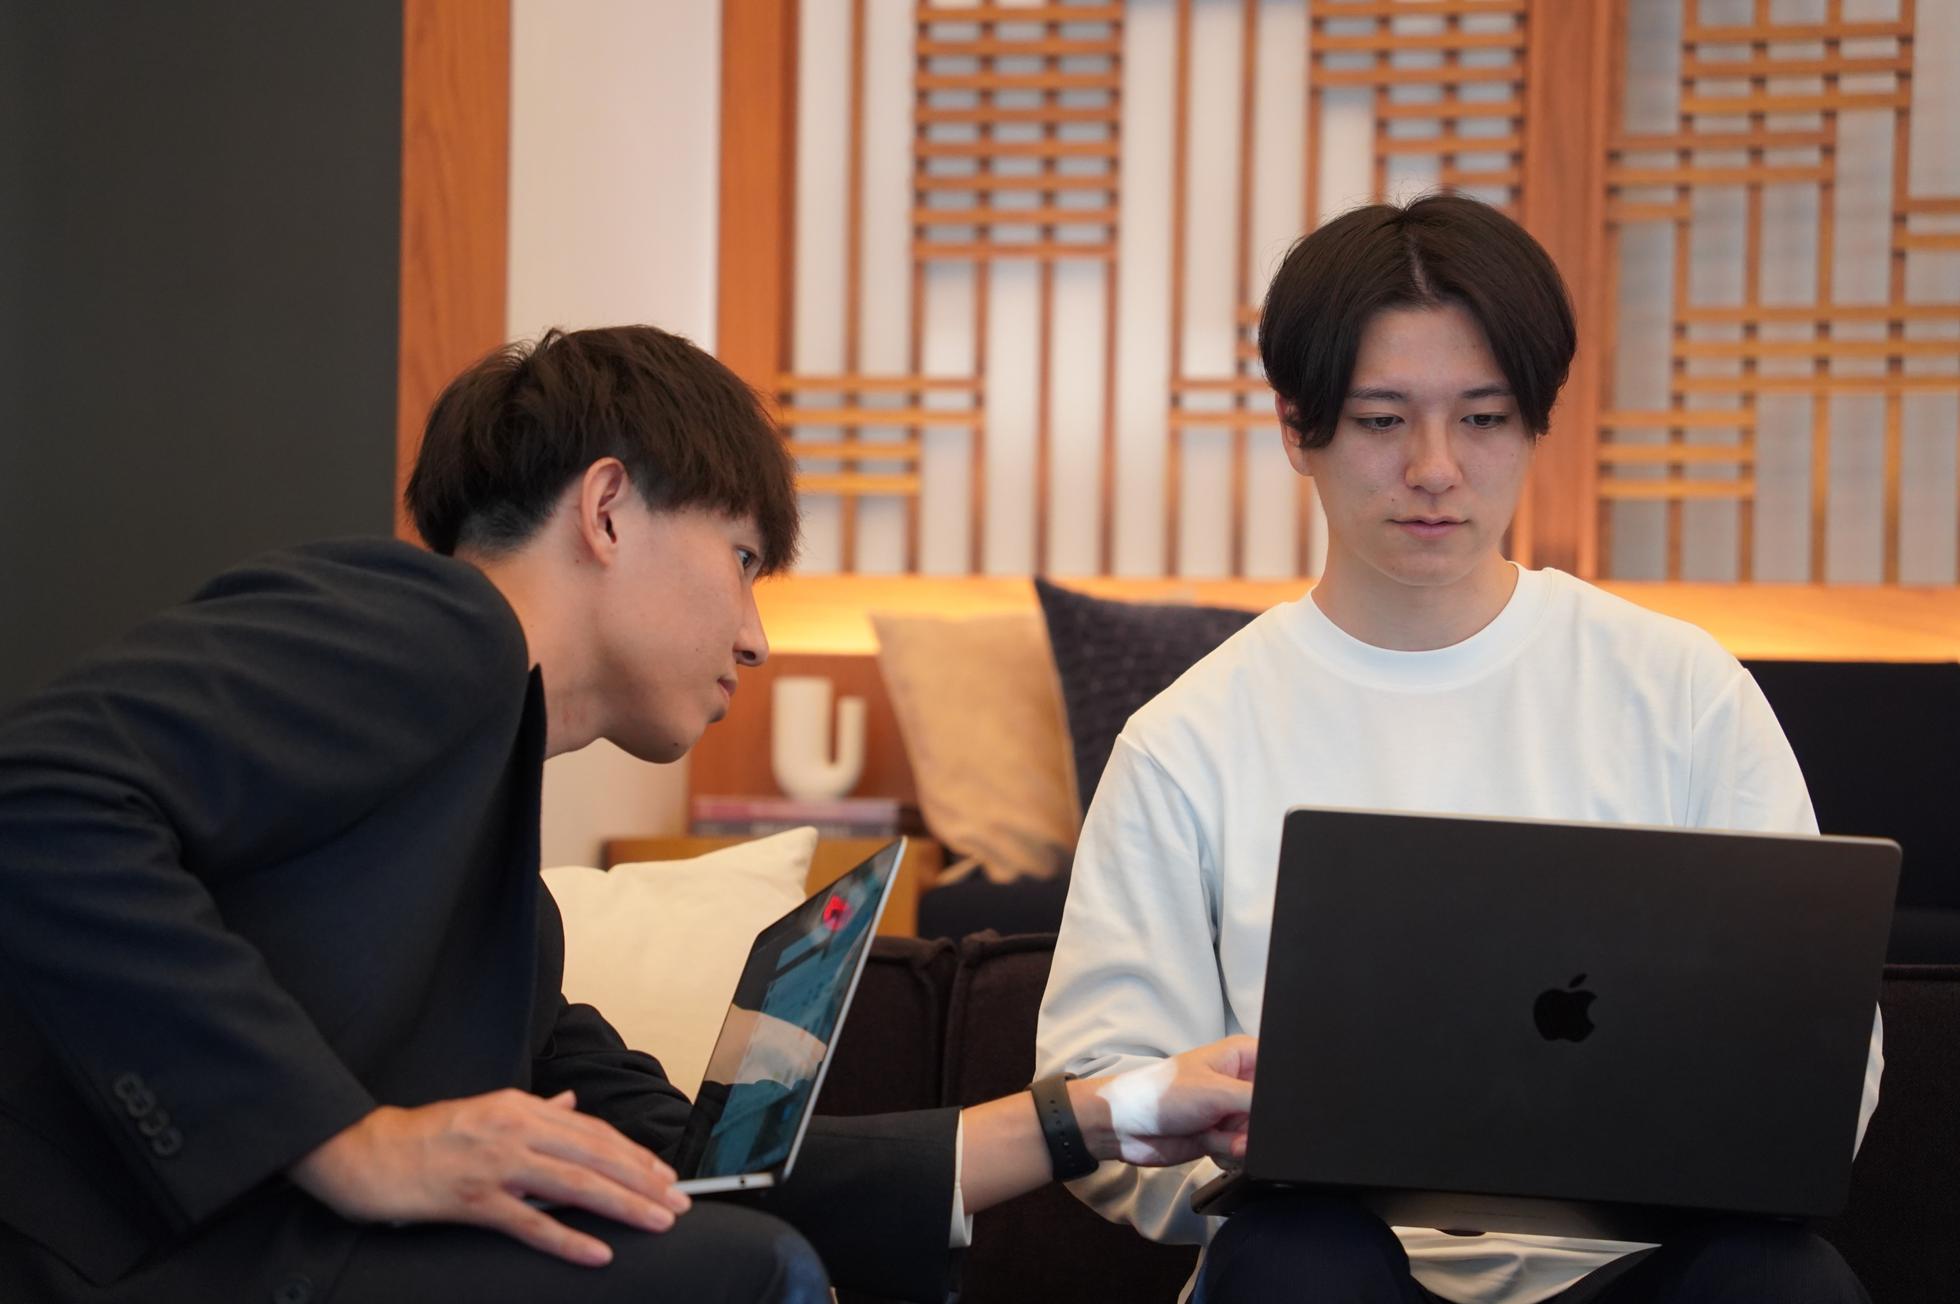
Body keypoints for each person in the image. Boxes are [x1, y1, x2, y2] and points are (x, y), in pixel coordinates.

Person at [0, 325, 1258, 1304]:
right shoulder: (433, 626)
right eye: (744, 559)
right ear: (607, 509)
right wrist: (348, 1139)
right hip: (125, 1261)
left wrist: (1113, 1109)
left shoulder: (504, 919)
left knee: (733, 1245)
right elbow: (40, 795)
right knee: (744, 1271)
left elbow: (710, 1171)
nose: (757, 637)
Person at [1034, 194, 1882, 1304]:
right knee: (1297, 1261)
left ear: (1534, 424)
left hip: (1633, 1268)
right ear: (1297, 427)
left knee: (1781, 1280)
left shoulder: (1680, 691)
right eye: (1382, 420)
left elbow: (1821, 1044)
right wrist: (1230, 1141)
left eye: (1482, 417)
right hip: (1324, 1261)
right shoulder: (1187, 738)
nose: (1434, 468)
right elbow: (1098, 1089)